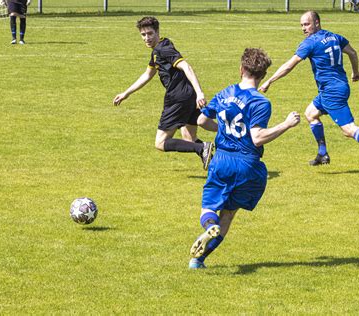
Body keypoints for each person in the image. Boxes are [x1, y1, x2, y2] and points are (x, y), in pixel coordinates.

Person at [188, 48, 301, 269]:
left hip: (221, 160)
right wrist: (286, 124)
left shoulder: (225, 93)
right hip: (248, 164)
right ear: (263, 75)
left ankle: (209, 226)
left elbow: (201, 121)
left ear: (241, 69)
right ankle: (198, 260)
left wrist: (222, 130)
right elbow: (257, 138)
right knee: (228, 214)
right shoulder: (260, 102)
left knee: (209, 208)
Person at [259, 11, 359, 175]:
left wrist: (269, 81)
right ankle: (322, 154)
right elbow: (353, 53)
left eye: (307, 24)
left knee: (348, 129)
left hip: (332, 92)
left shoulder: (310, 43)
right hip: (336, 88)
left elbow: (289, 65)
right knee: (310, 113)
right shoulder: (335, 37)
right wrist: (355, 72)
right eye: (301, 25)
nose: (303, 28)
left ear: (317, 22)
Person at [113, 16, 213, 170]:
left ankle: (203, 147)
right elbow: (147, 74)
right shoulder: (159, 49)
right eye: (143, 34)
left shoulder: (163, 49)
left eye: (150, 33)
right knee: (189, 138)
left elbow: (187, 67)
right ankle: (220, 160)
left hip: (177, 98)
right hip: (187, 95)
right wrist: (126, 93)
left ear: (157, 32)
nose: (147, 38)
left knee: (160, 143)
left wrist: (200, 92)